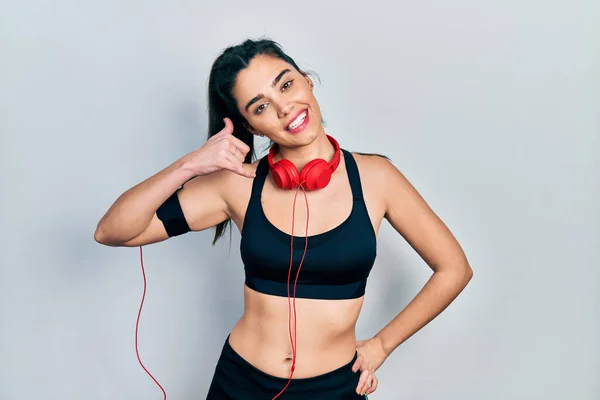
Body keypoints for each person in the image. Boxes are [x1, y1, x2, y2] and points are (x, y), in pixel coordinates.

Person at [94, 38, 473, 399]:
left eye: (286, 84)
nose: (284, 107)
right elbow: (112, 231)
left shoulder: (377, 179)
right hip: (240, 384)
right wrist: (188, 165)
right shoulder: (236, 185)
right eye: (260, 107)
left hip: (334, 389)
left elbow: (454, 268)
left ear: (307, 81)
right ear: (252, 127)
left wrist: (382, 345)